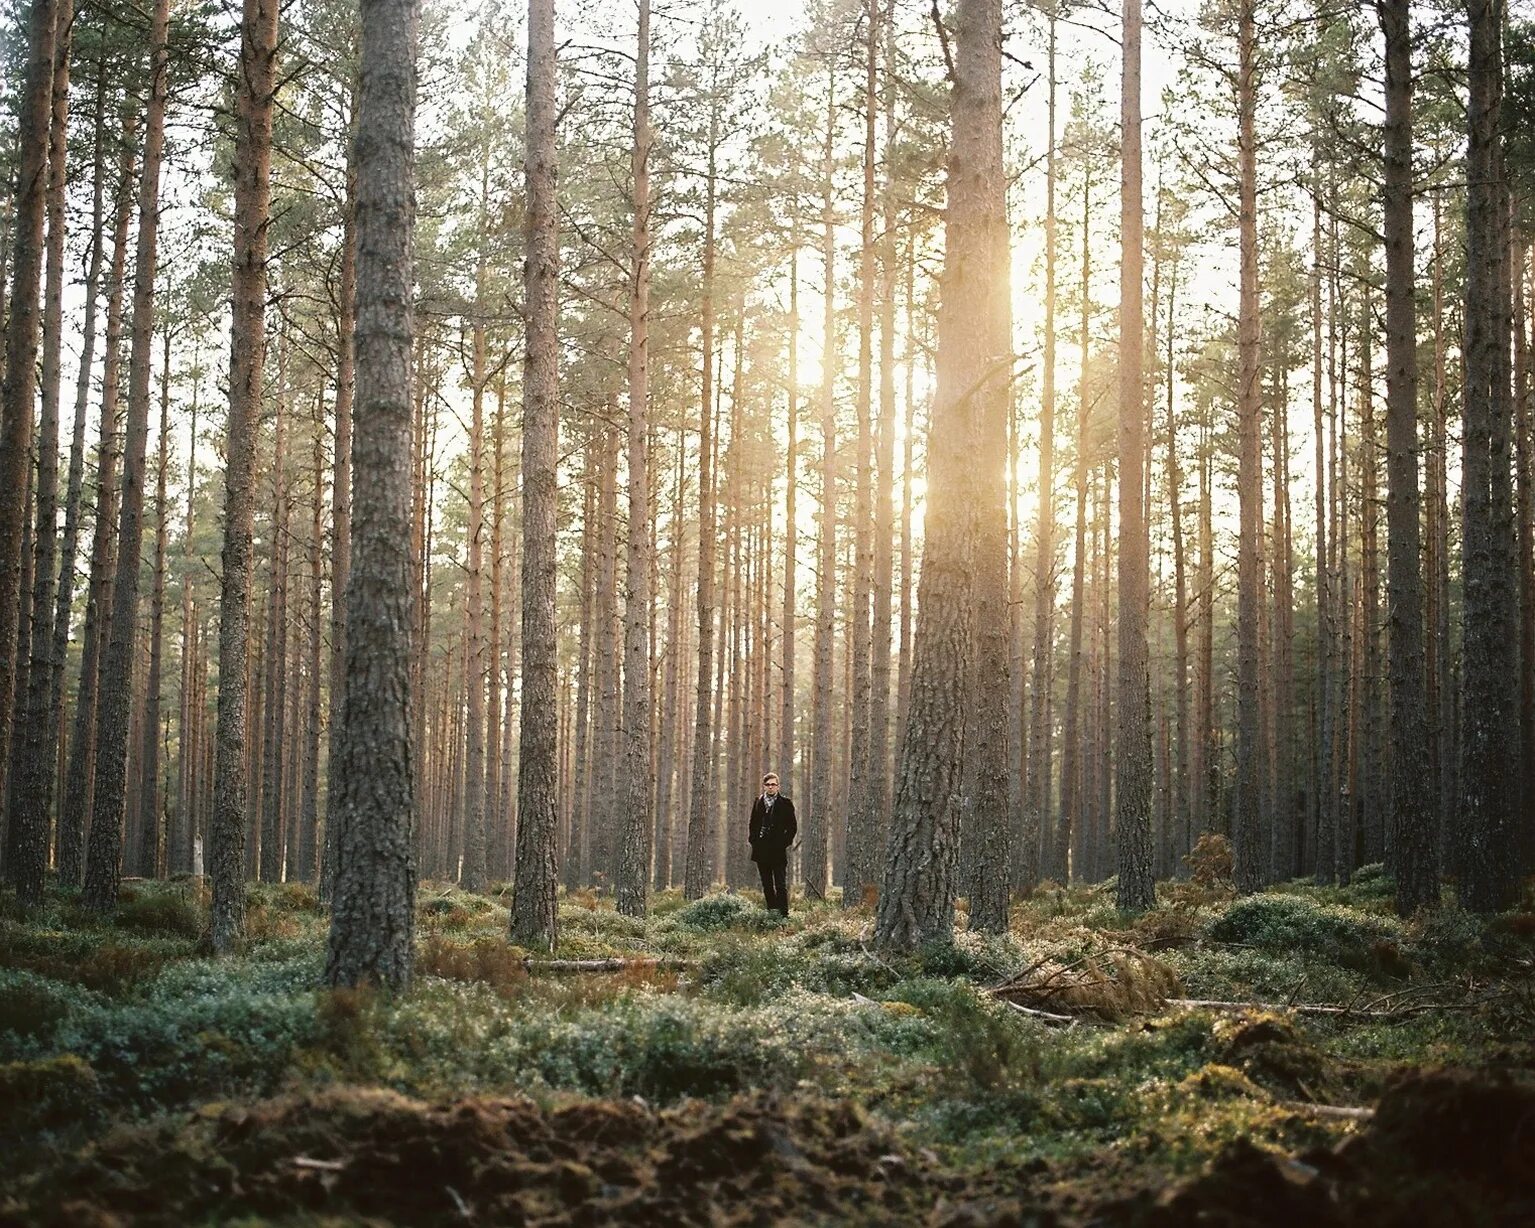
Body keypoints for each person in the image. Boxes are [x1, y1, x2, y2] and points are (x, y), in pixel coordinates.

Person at [748, 772, 796, 916]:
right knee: (767, 885)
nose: (770, 787)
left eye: (773, 784)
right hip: (761, 851)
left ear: (778, 786)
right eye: (768, 784)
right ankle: (772, 913)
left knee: (780, 885)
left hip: (778, 851)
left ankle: (783, 915)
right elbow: (753, 824)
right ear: (764, 786)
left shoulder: (785, 803)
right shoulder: (758, 802)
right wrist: (754, 841)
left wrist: (783, 843)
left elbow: (792, 827)